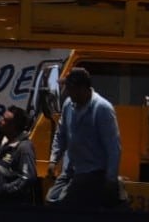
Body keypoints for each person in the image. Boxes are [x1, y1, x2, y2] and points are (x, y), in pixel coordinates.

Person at [46, 66, 123, 209]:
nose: (66, 92)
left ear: (82, 88)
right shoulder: (68, 105)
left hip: (94, 172)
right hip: (72, 168)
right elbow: (61, 134)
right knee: (51, 199)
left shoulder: (102, 108)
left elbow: (114, 148)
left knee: (66, 204)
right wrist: (53, 159)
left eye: (69, 88)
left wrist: (111, 179)